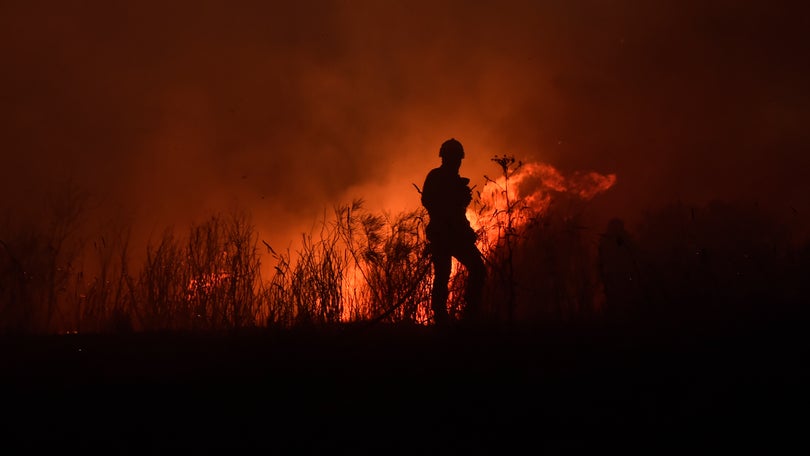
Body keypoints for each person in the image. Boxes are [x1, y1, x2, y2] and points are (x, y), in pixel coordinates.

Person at [421, 138, 486, 326]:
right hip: (443, 235)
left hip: (455, 235)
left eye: (458, 158)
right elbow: (431, 203)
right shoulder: (437, 177)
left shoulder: (455, 181)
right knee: (443, 273)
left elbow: (457, 212)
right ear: (446, 158)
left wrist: (466, 230)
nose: (457, 162)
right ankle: (442, 316)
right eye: (454, 158)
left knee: (477, 270)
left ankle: (470, 312)